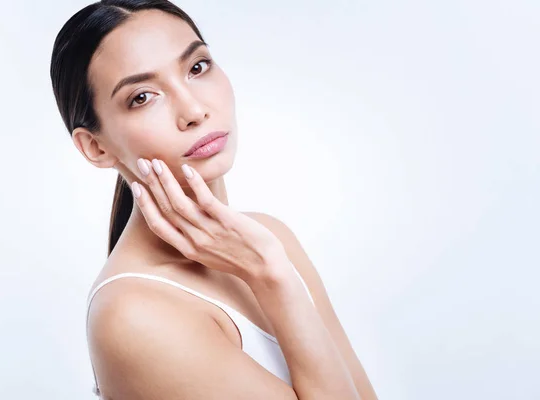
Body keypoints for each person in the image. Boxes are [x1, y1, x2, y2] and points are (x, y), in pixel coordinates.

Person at [50, 1, 378, 398]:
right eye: (142, 97)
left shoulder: (269, 238)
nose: (193, 110)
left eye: (197, 67)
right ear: (96, 148)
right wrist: (271, 278)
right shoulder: (134, 314)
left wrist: (271, 268)